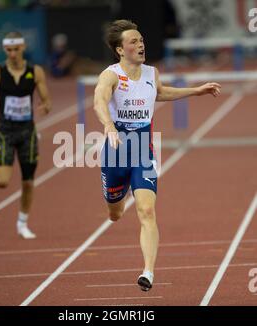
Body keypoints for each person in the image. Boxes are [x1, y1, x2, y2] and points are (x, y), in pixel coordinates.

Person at [93, 20, 221, 291]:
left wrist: (196, 91)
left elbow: (161, 93)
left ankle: (148, 272)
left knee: (147, 210)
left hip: (143, 152)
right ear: (119, 50)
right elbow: (99, 101)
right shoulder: (111, 75)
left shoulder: (152, 73)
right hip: (116, 153)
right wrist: (108, 125)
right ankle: (114, 203)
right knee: (115, 213)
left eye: (141, 40)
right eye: (133, 42)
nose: (141, 45)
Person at [0, 31, 52, 239]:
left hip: (27, 132)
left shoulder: (35, 72)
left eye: (16, 49)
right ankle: (0, 154)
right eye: (8, 50)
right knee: (2, 182)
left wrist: (45, 105)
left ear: (23, 48)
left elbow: (47, 100)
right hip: (5, 131)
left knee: (28, 181)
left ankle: (22, 223)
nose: (12, 54)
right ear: (4, 50)